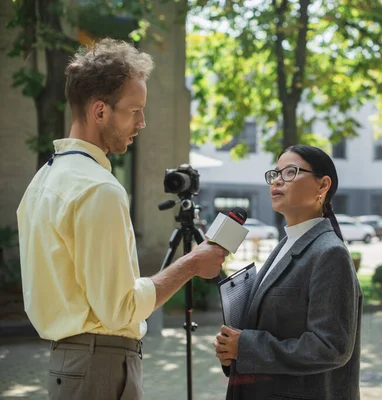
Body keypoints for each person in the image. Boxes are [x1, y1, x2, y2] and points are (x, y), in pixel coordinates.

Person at [16, 38, 226, 400]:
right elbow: (119, 310)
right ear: (100, 111)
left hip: (68, 364)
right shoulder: (99, 189)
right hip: (100, 365)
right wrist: (191, 264)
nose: (142, 122)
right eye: (134, 111)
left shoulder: (43, 181)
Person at [213, 145, 362, 400]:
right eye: (275, 173)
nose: (278, 180)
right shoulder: (286, 244)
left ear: (322, 186)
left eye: (291, 172)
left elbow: (331, 347)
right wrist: (231, 347)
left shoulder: (329, 253)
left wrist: (245, 346)